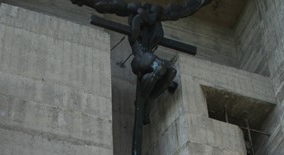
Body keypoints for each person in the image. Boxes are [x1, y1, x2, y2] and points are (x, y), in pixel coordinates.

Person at [70, 0, 213, 123]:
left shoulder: (158, 15)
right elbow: (107, 5)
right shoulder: (133, 10)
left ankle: (148, 99)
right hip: (139, 57)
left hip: (149, 56)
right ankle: (143, 100)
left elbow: (183, 10)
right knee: (160, 67)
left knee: (171, 71)